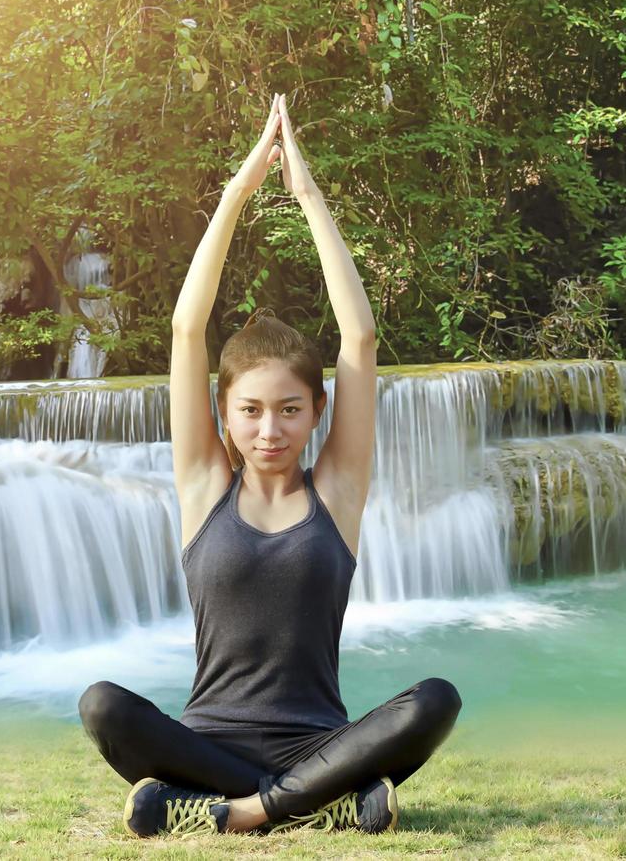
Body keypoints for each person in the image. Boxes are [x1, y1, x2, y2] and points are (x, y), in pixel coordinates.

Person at [78, 94, 461, 838]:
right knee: (102, 705)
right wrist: (236, 192)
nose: (270, 428)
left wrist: (308, 196)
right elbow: (188, 332)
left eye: (289, 409)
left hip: (321, 742)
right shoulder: (202, 488)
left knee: (436, 699)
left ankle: (243, 813)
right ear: (225, 416)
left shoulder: (338, 493)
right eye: (250, 410)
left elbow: (360, 337)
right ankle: (321, 803)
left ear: (317, 412)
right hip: (204, 744)